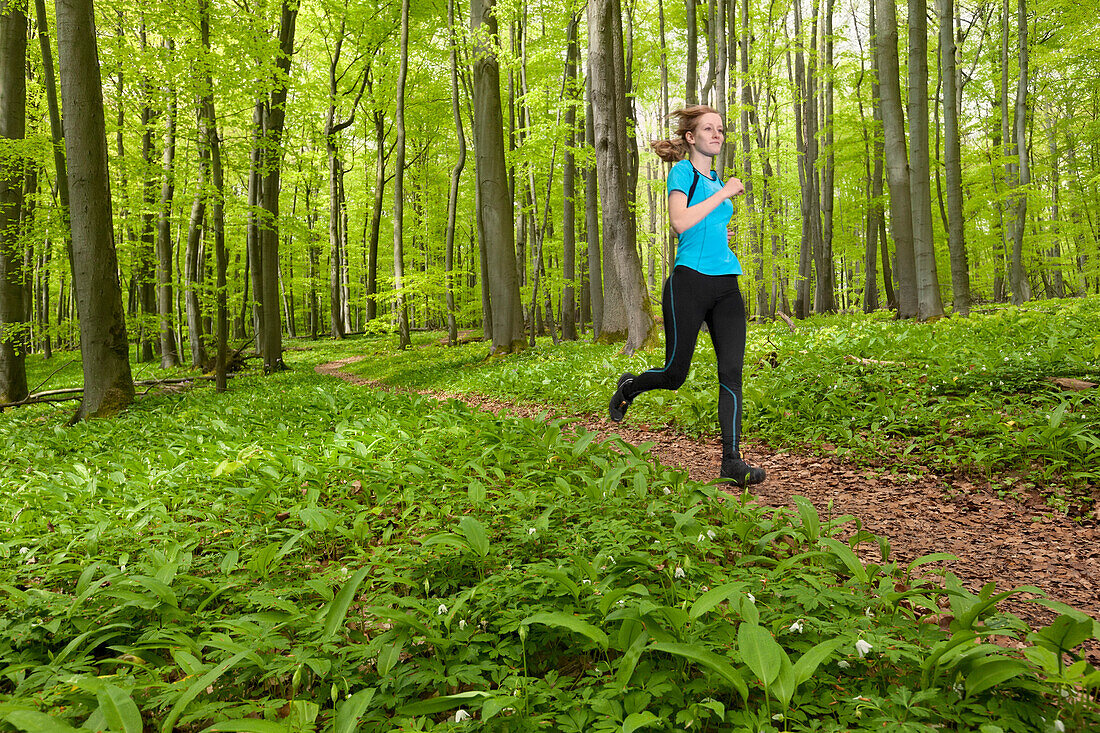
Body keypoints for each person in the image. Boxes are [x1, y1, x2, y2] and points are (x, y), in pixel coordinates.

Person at [608, 105, 765, 487]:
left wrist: (720, 234)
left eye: (721, 130)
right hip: (688, 284)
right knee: (675, 374)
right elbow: (679, 221)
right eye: (708, 129)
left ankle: (732, 461)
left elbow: (700, 225)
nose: (717, 135)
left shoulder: (714, 182)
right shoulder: (684, 173)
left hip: (726, 284)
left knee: (732, 373)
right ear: (691, 138)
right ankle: (630, 387)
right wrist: (725, 192)